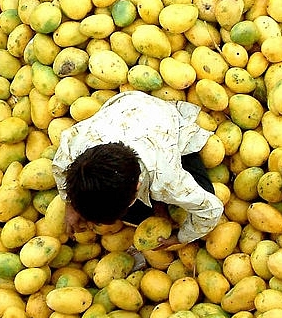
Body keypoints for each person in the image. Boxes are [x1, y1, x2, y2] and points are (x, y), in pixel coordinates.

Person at [52, 91, 224, 248]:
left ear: (138, 187)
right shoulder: (74, 145)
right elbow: (60, 168)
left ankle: (158, 204)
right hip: (127, 105)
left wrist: (181, 237)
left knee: (203, 192)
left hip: (163, 121)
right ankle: (157, 205)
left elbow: (211, 210)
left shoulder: (167, 177)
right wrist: (70, 202)